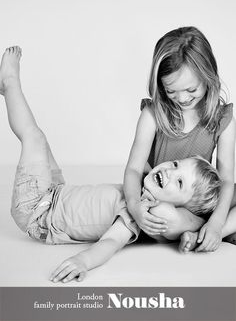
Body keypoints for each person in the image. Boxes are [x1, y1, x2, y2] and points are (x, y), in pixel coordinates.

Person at [1, 46, 222, 283]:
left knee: (32, 137)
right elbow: (138, 173)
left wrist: (82, 261)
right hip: (57, 191)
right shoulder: (138, 196)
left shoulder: (141, 216)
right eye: (176, 164)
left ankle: (9, 83)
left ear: (178, 208)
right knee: (40, 139)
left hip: (39, 213)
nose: (169, 169)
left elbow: (111, 242)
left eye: (179, 182)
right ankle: (9, 87)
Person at [124, 26, 236, 253]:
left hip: (199, 201)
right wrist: (135, 207)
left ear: (208, 77)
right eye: (171, 91)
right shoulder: (152, 115)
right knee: (166, 215)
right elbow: (134, 170)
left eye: (191, 89)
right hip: (164, 200)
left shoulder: (223, 118)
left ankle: (209, 232)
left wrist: (216, 221)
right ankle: (204, 231)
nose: (182, 98)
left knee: (228, 197)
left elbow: (225, 180)